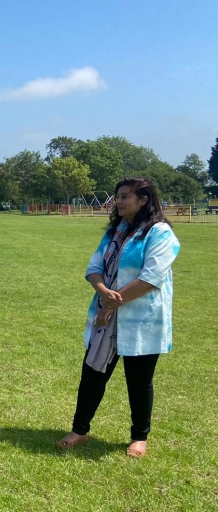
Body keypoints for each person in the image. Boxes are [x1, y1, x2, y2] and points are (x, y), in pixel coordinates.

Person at [57, 177, 180, 458]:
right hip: (105, 318)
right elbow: (94, 266)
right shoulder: (115, 231)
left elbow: (150, 278)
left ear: (144, 200)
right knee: (92, 375)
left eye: (125, 196)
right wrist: (102, 290)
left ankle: (139, 437)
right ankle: (79, 431)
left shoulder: (160, 234)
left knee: (139, 381)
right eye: (117, 197)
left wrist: (111, 304)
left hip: (142, 319)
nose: (118, 201)